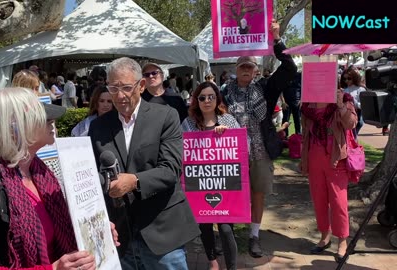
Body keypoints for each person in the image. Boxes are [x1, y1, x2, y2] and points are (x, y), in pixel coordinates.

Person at [0, 87, 112, 269]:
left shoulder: (40, 173)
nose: (52, 121)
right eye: (42, 115)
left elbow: (57, 231)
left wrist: (93, 231)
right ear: (13, 127)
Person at [88, 57, 200, 269]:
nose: (119, 96)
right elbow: (95, 173)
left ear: (141, 86)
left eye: (126, 88)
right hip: (121, 236)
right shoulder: (99, 127)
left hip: (162, 234)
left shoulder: (166, 116)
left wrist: (134, 181)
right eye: (113, 88)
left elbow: (171, 170)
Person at [221, 20, 297, 258]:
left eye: (249, 66)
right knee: (231, 194)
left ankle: (254, 236)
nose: (245, 70)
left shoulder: (266, 88)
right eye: (242, 66)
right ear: (236, 68)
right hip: (232, 152)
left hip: (260, 151)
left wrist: (276, 41)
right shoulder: (223, 92)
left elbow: (290, 69)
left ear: (255, 69)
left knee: (258, 194)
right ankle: (227, 236)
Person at [181, 82, 239, 270]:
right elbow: (182, 149)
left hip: (225, 182)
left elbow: (243, 144)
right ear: (196, 101)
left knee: (226, 228)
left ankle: (232, 266)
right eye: (202, 97)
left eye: (211, 97)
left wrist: (228, 134)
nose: (207, 101)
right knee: (204, 226)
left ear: (217, 99)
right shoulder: (188, 123)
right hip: (199, 182)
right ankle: (212, 261)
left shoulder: (228, 120)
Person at [300, 85, 357, 263]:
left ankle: (342, 241)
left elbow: (351, 124)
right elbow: (305, 132)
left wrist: (341, 106)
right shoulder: (307, 104)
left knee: (338, 201)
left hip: (336, 158)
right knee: (319, 198)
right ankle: (325, 235)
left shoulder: (344, 99)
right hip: (314, 156)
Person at [342, 68, 366, 138]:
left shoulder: (361, 89)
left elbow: (363, 106)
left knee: (353, 137)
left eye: (349, 78)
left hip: (356, 116)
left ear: (354, 78)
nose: (346, 81)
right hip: (345, 116)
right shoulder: (344, 89)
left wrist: (352, 100)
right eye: (344, 79)